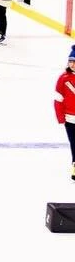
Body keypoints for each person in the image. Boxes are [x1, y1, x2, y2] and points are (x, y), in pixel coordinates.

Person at [56, 48, 75, 180]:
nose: (72, 64)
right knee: (74, 145)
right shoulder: (63, 78)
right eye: (70, 61)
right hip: (70, 120)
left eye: (74, 61)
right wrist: (60, 117)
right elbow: (58, 99)